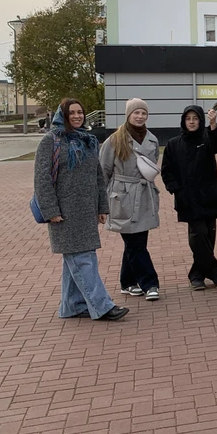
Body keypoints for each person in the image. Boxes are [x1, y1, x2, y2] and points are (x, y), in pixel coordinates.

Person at [33, 99, 128, 321]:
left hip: (86, 212)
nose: (77, 116)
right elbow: (42, 180)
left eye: (80, 112)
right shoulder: (51, 141)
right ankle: (102, 306)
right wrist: (50, 211)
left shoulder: (88, 140)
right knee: (83, 259)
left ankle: (72, 305)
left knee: (76, 260)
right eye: (72, 113)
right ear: (62, 115)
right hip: (63, 214)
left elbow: (98, 176)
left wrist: (101, 207)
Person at [100, 98, 162, 302]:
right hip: (122, 197)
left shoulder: (152, 140)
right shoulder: (114, 140)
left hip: (144, 195)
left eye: (143, 113)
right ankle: (150, 283)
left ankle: (127, 282)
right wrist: (101, 203)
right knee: (135, 242)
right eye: (136, 113)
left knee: (137, 241)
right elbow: (103, 171)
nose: (140, 116)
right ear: (128, 115)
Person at [160, 105, 217, 291]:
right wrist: (176, 189)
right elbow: (167, 171)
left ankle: (196, 275)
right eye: (188, 118)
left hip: (209, 196)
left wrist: (214, 124)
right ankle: (215, 273)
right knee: (198, 236)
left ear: (201, 121)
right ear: (183, 120)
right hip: (188, 199)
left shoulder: (206, 138)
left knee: (209, 236)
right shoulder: (173, 144)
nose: (191, 121)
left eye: (195, 118)